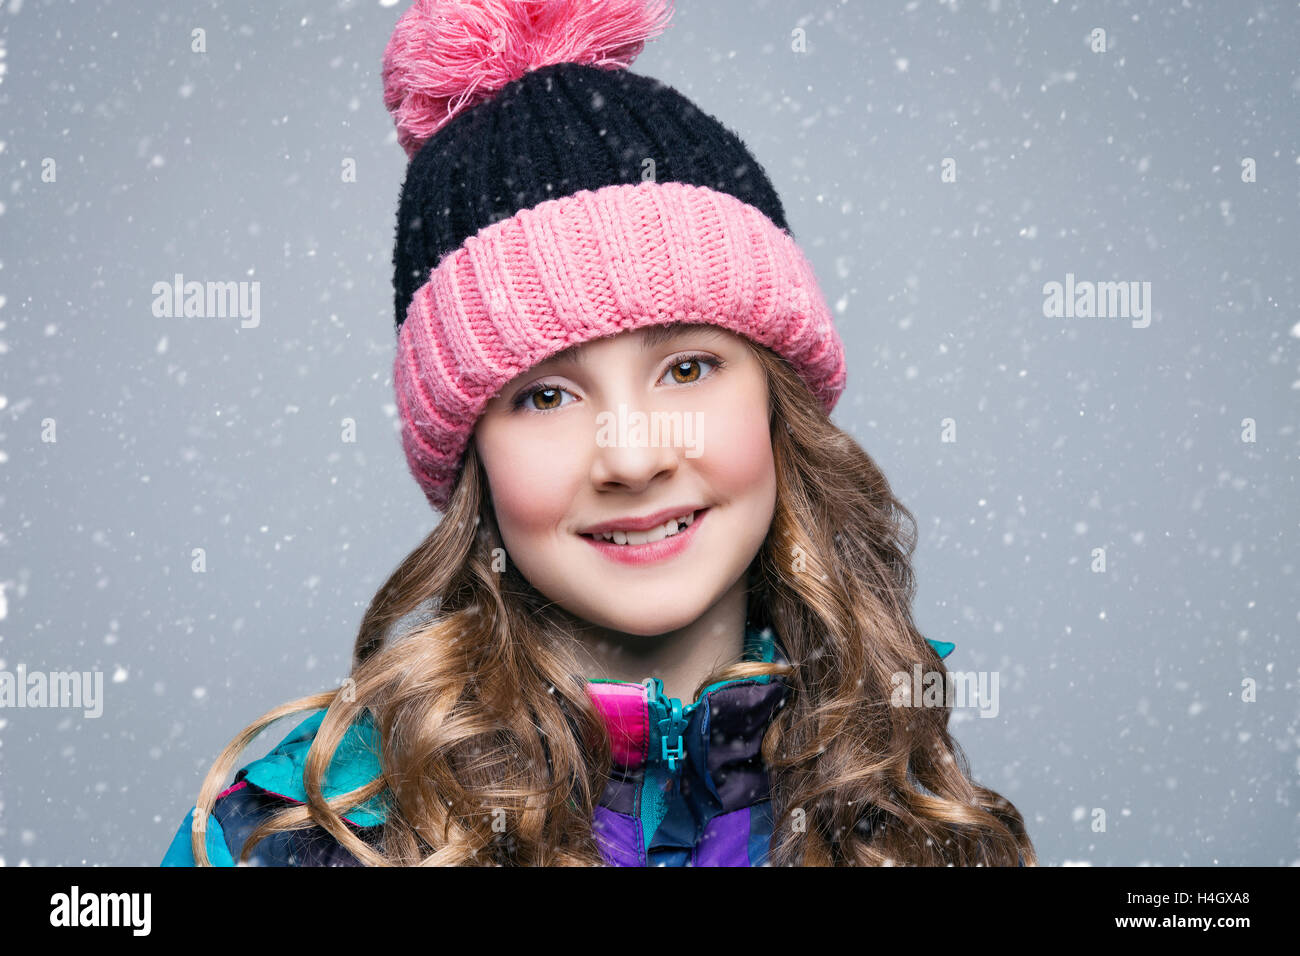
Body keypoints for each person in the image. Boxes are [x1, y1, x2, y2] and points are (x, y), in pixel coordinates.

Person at [161, 0, 1035, 867]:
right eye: (546, 397)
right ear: (473, 460)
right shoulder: (308, 834)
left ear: (778, 403)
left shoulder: (914, 814)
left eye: (687, 370)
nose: (633, 457)